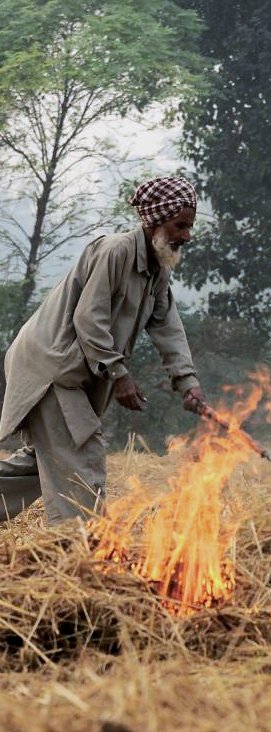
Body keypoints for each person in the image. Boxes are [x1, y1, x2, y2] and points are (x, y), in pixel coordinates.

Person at [0, 177, 207, 524]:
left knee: (45, 462)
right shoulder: (115, 251)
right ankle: (76, 547)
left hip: (70, 372)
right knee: (82, 452)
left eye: (189, 226)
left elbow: (167, 326)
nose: (186, 235)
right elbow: (88, 318)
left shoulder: (159, 267)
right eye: (180, 225)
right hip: (52, 367)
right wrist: (119, 373)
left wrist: (188, 382)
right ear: (155, 221)